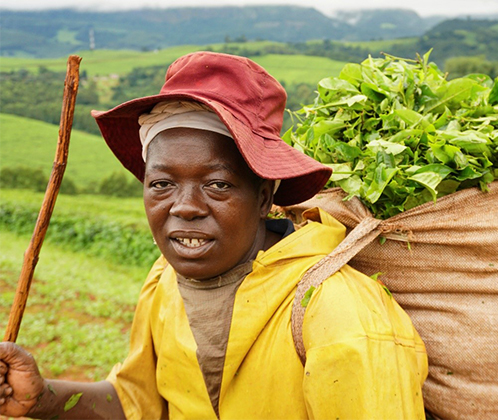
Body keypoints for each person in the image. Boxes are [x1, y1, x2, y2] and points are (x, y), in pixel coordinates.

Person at [0, 52, 428, 419]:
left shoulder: (337, 313)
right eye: (162, 184)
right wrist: (42, 398)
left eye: (217, 185)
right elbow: (136, 403)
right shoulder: (165, 282)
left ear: (263, 198)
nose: (184, 206)